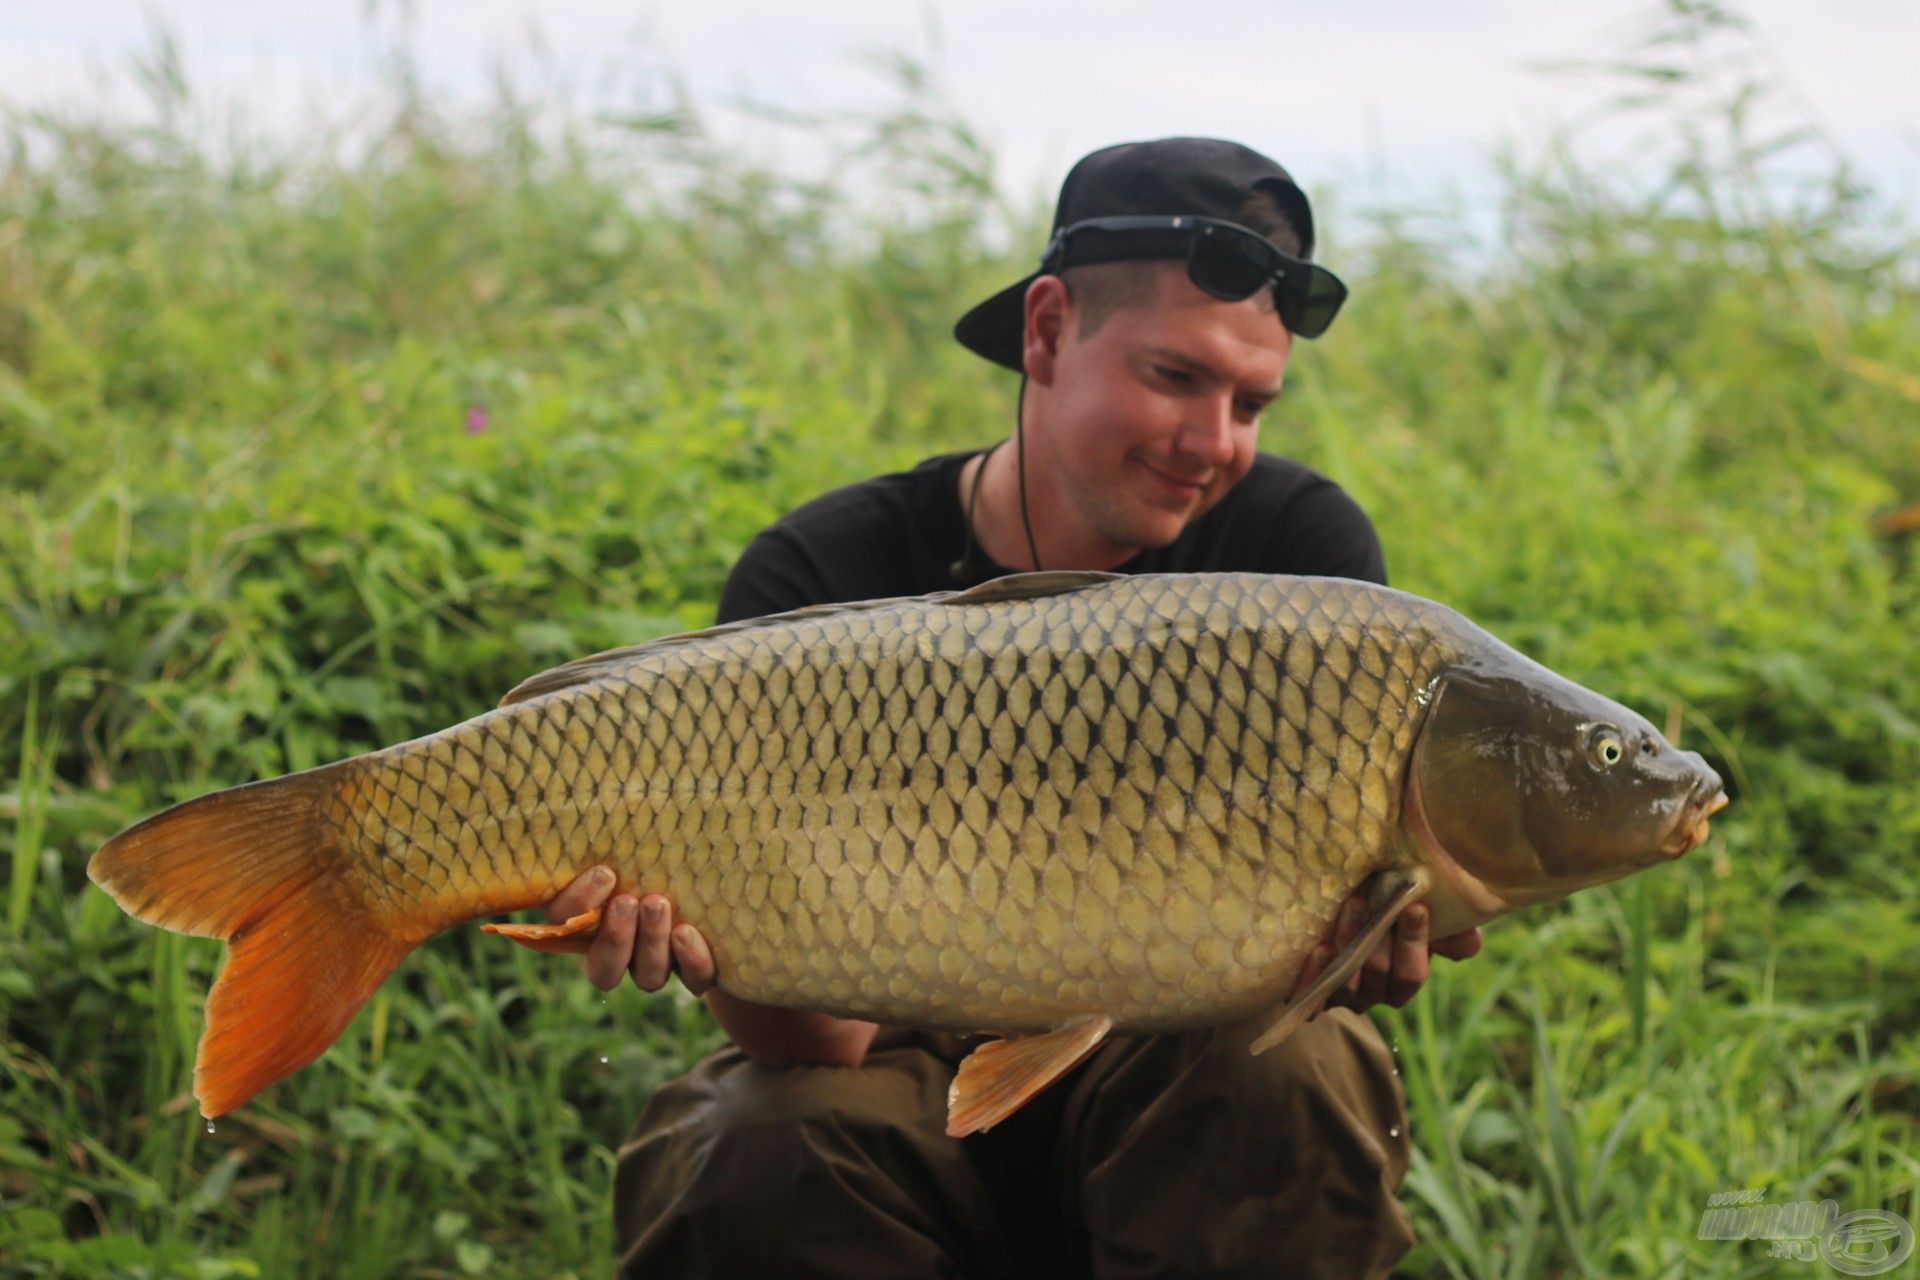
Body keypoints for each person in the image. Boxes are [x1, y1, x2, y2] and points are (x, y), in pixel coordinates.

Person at [546, 137, 1482, 1278]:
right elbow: (819, 1042)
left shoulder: (1300, 561)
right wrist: (702, 939)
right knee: (757, 1142)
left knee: (1286, 1068)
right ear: (1045, 332)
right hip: (893, 1074)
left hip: (1171, 1068)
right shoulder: (823, 568)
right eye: (1177, 378)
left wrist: (1362, 940)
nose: (1215, 443)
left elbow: (1336, 962)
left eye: (1252, 401)